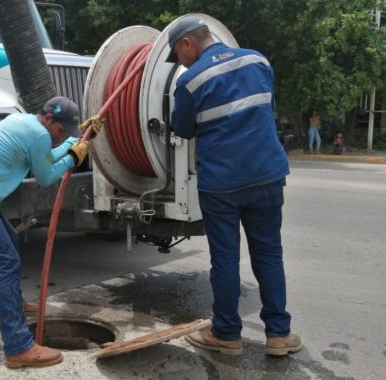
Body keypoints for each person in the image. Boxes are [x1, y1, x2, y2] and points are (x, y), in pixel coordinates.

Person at [167, 16, 302, 357]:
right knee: (269, 252)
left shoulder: (192, 81)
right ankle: (279, 335)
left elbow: (181, 130)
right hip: (268, 175)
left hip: (222, 184)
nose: (179, 63)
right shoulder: (258, 60)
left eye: (177, 55)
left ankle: (226, 334)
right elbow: (265, 110)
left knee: (225, 259)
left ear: (187, 44)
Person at [0, 96, 98, 368]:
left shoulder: (27, 124)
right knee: (6, 262)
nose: (60, 135)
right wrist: (73, 156)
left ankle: (14, 303)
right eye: (61, 130)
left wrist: (77, 140)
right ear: (48, 118)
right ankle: (18, 347)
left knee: (11, 244)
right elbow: (47, 175)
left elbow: (48, 155)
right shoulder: (38, 134)